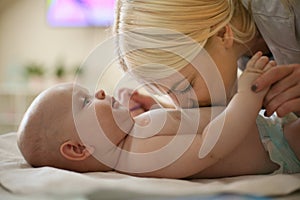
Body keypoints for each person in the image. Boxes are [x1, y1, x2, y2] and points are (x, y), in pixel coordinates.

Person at [17, 54, 300, 178]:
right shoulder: (137, 155)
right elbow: (209, 146)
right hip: (277, 143)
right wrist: (246, 97)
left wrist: (153, 105)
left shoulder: (130, 137)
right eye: (86, 101)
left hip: (267, 127)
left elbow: (181, 122)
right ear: (78, 148)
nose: (101, 93)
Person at [113, 0, 300, 117]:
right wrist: (164, 110)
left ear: (221, 34)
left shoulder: (286, 11)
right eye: (167, 93)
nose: (182, 106)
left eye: (187, 86)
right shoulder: (237, 51)